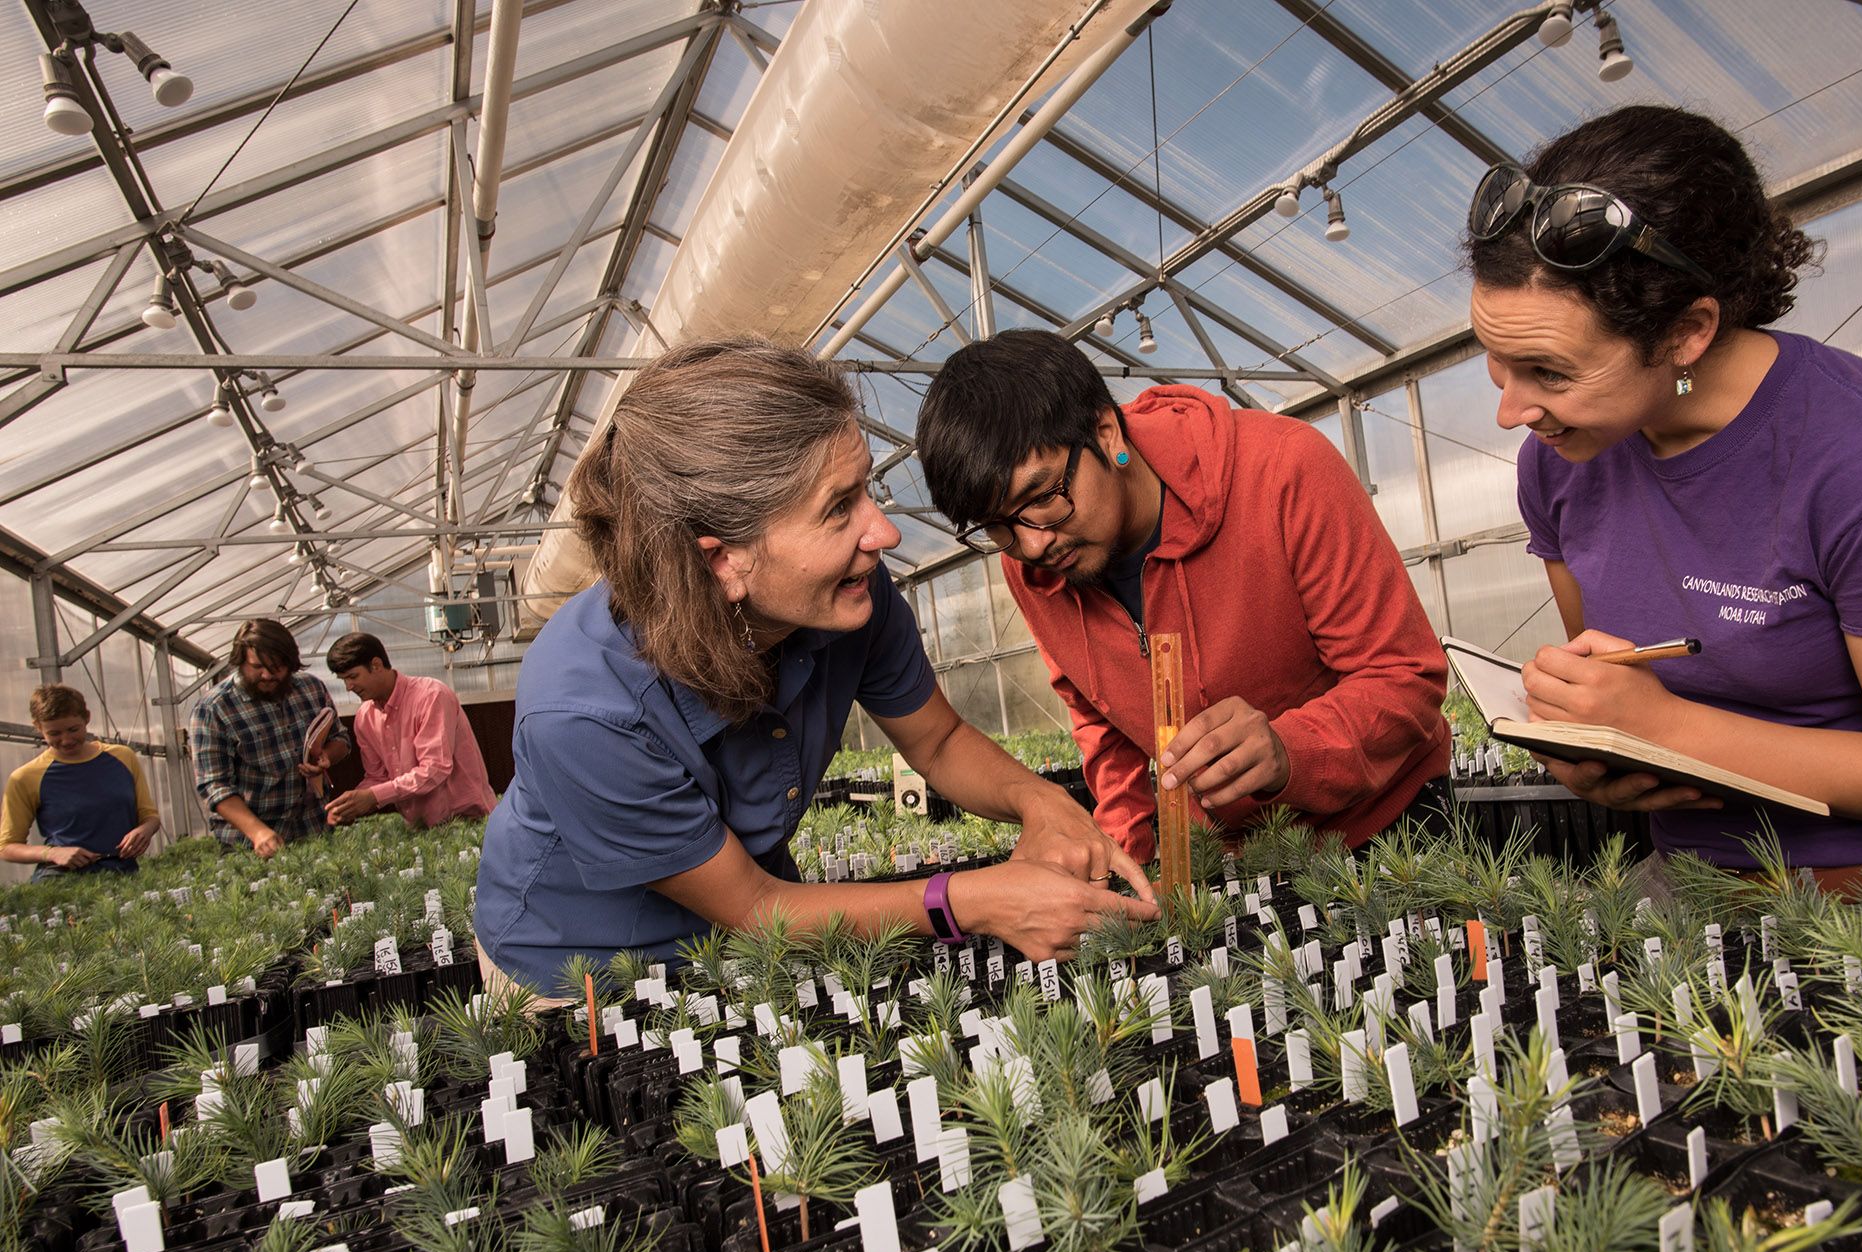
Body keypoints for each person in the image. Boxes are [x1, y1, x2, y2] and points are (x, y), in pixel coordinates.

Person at [1465, 103, 1862, 936]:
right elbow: (1629, 684)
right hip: (1694, 885)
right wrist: (1594, 744)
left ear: (1687, 331)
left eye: (1547, 371)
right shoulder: (1561, 463)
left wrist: (1667, 725)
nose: (1512, 408)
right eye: (1495, 360)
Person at [474, 338, 1154, 997]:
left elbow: (938, 742)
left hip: (764, 929)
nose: (882, 533)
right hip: (581, 970)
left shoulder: (848, 595)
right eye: (838, 509)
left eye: (866, 490)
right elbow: (756, 907)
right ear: (723, 561)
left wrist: (1043, 801)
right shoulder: (583, 710)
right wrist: (973, 900)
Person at [915, 329, 1451, 864]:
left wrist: (1291, 749)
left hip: (1387, 831)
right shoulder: (1035, 564)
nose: (1031, 543)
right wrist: (1125, 862)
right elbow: (1101, 727)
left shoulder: (1283, 471)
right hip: (1232, 859)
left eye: (1043, 497)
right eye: (996, 526)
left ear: (1106, 435)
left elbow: (1405, 677)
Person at [191, 618, 350, 858]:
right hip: (248, 845)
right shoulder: (214, 708)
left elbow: (341, 738)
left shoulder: (311, 689)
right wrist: (257, 832)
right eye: (257, 667)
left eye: (276, 667)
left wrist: (326, 755)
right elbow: (214, 785)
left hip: (312, 828)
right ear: (241, 662)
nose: (267, 675)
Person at [322, 632, 496, 830]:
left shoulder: (430, 696)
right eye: (343, 680)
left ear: (376, 665)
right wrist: (351, 805)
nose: (349, 687)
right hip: (420, 829)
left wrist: (373, 797)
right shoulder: (365, 717)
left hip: (468, 823)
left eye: (353, 677)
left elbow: (434, 770)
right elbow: (377, 777)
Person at [1, 684, 159, 878]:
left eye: (73, 729)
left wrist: (145, 830)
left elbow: (149, 816)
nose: (66, 740)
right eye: (54, 734)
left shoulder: (122, 758)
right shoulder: (25, 778)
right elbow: (7, 846)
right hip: (62, 881)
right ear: (38, 727)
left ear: (87, 718)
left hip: (123, 873)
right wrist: (52, 853)